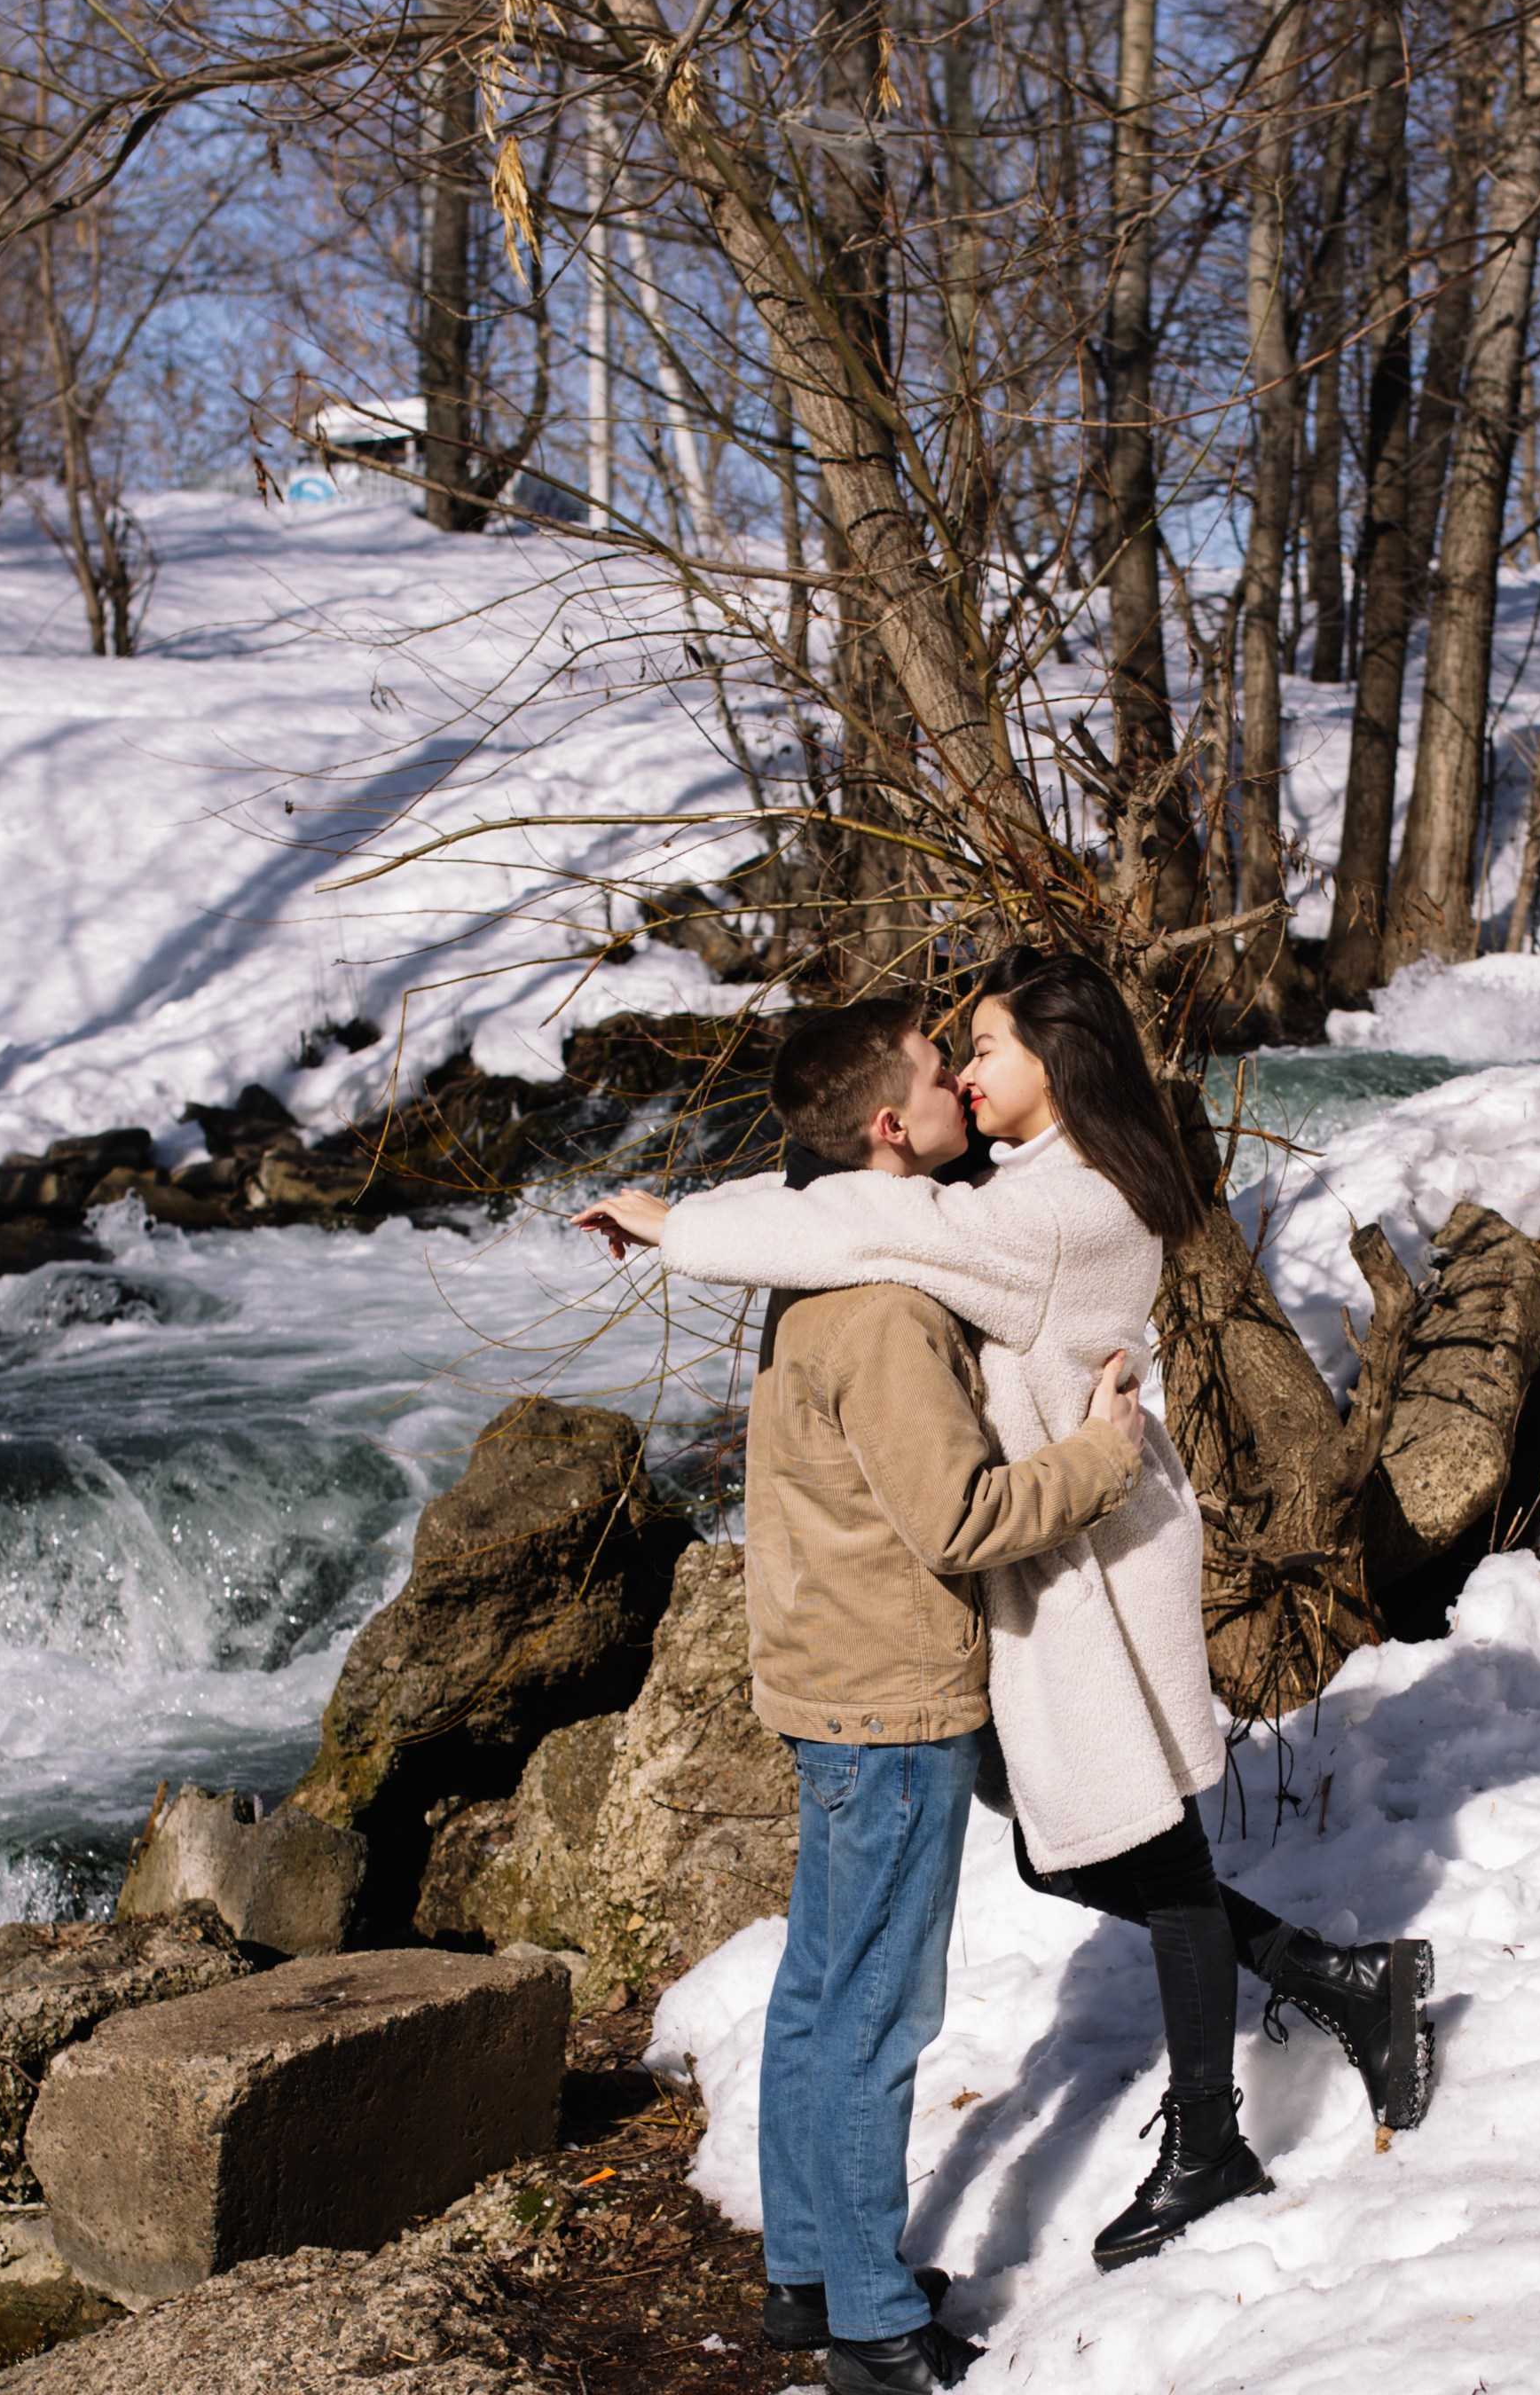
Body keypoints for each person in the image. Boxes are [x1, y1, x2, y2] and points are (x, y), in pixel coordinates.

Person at [581, 949, 1435, 2276]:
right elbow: (847, 1195)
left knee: (1131, 1847)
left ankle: (1211, 2139)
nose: (966, 1072)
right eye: (956, 1054)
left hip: (1083, 1563)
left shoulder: (1057, 1213)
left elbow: (860, 1222)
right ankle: (1344, 1987)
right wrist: (681, 1209)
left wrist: (672, 1226)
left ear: (1059, 1055)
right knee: (1078, 1846)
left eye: (983, 1047)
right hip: (1048, 1549)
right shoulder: (1024, 1181)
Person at [585, 997, 1149, 2395]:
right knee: (875, 2013)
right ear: (893, 1128)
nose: (962, 1079)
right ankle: (875, 2325)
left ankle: (807, 2275)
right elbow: (961, 1519)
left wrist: (665, 1215)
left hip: (820, 1672)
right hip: (887, 1701)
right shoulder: (890, 1305)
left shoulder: (822, 1258)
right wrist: (1101, 1455)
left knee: (817, 1989)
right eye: (933, 1073)